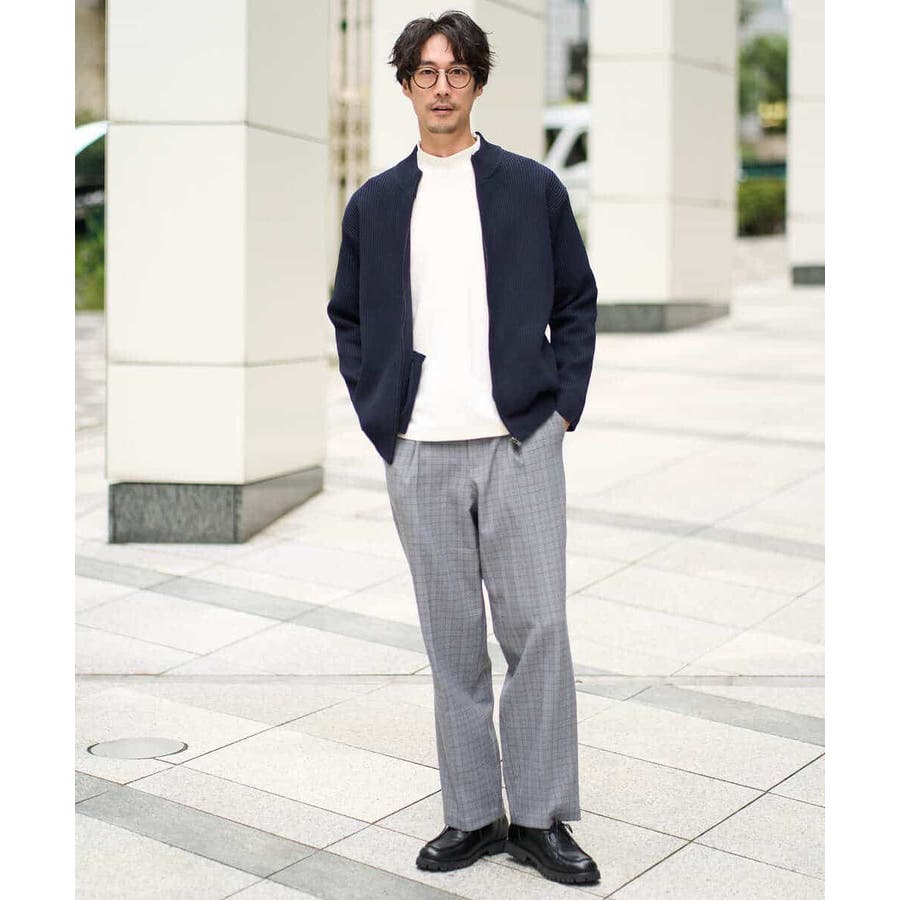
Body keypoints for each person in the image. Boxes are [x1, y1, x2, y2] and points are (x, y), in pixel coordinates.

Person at [327, 9, 599, 887]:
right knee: (452, 643)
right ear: (406, 85)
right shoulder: (376, 204)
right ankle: (474, 816)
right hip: (421, 449)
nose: (440, 87)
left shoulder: (531, 188)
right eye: (425, 72)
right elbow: (348, 317)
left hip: (519, 440)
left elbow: (577, 299)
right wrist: (382, 416)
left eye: (456, 72)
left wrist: (561, 408)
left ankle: (541, 819)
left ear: (477, 82)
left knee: (540, 630)